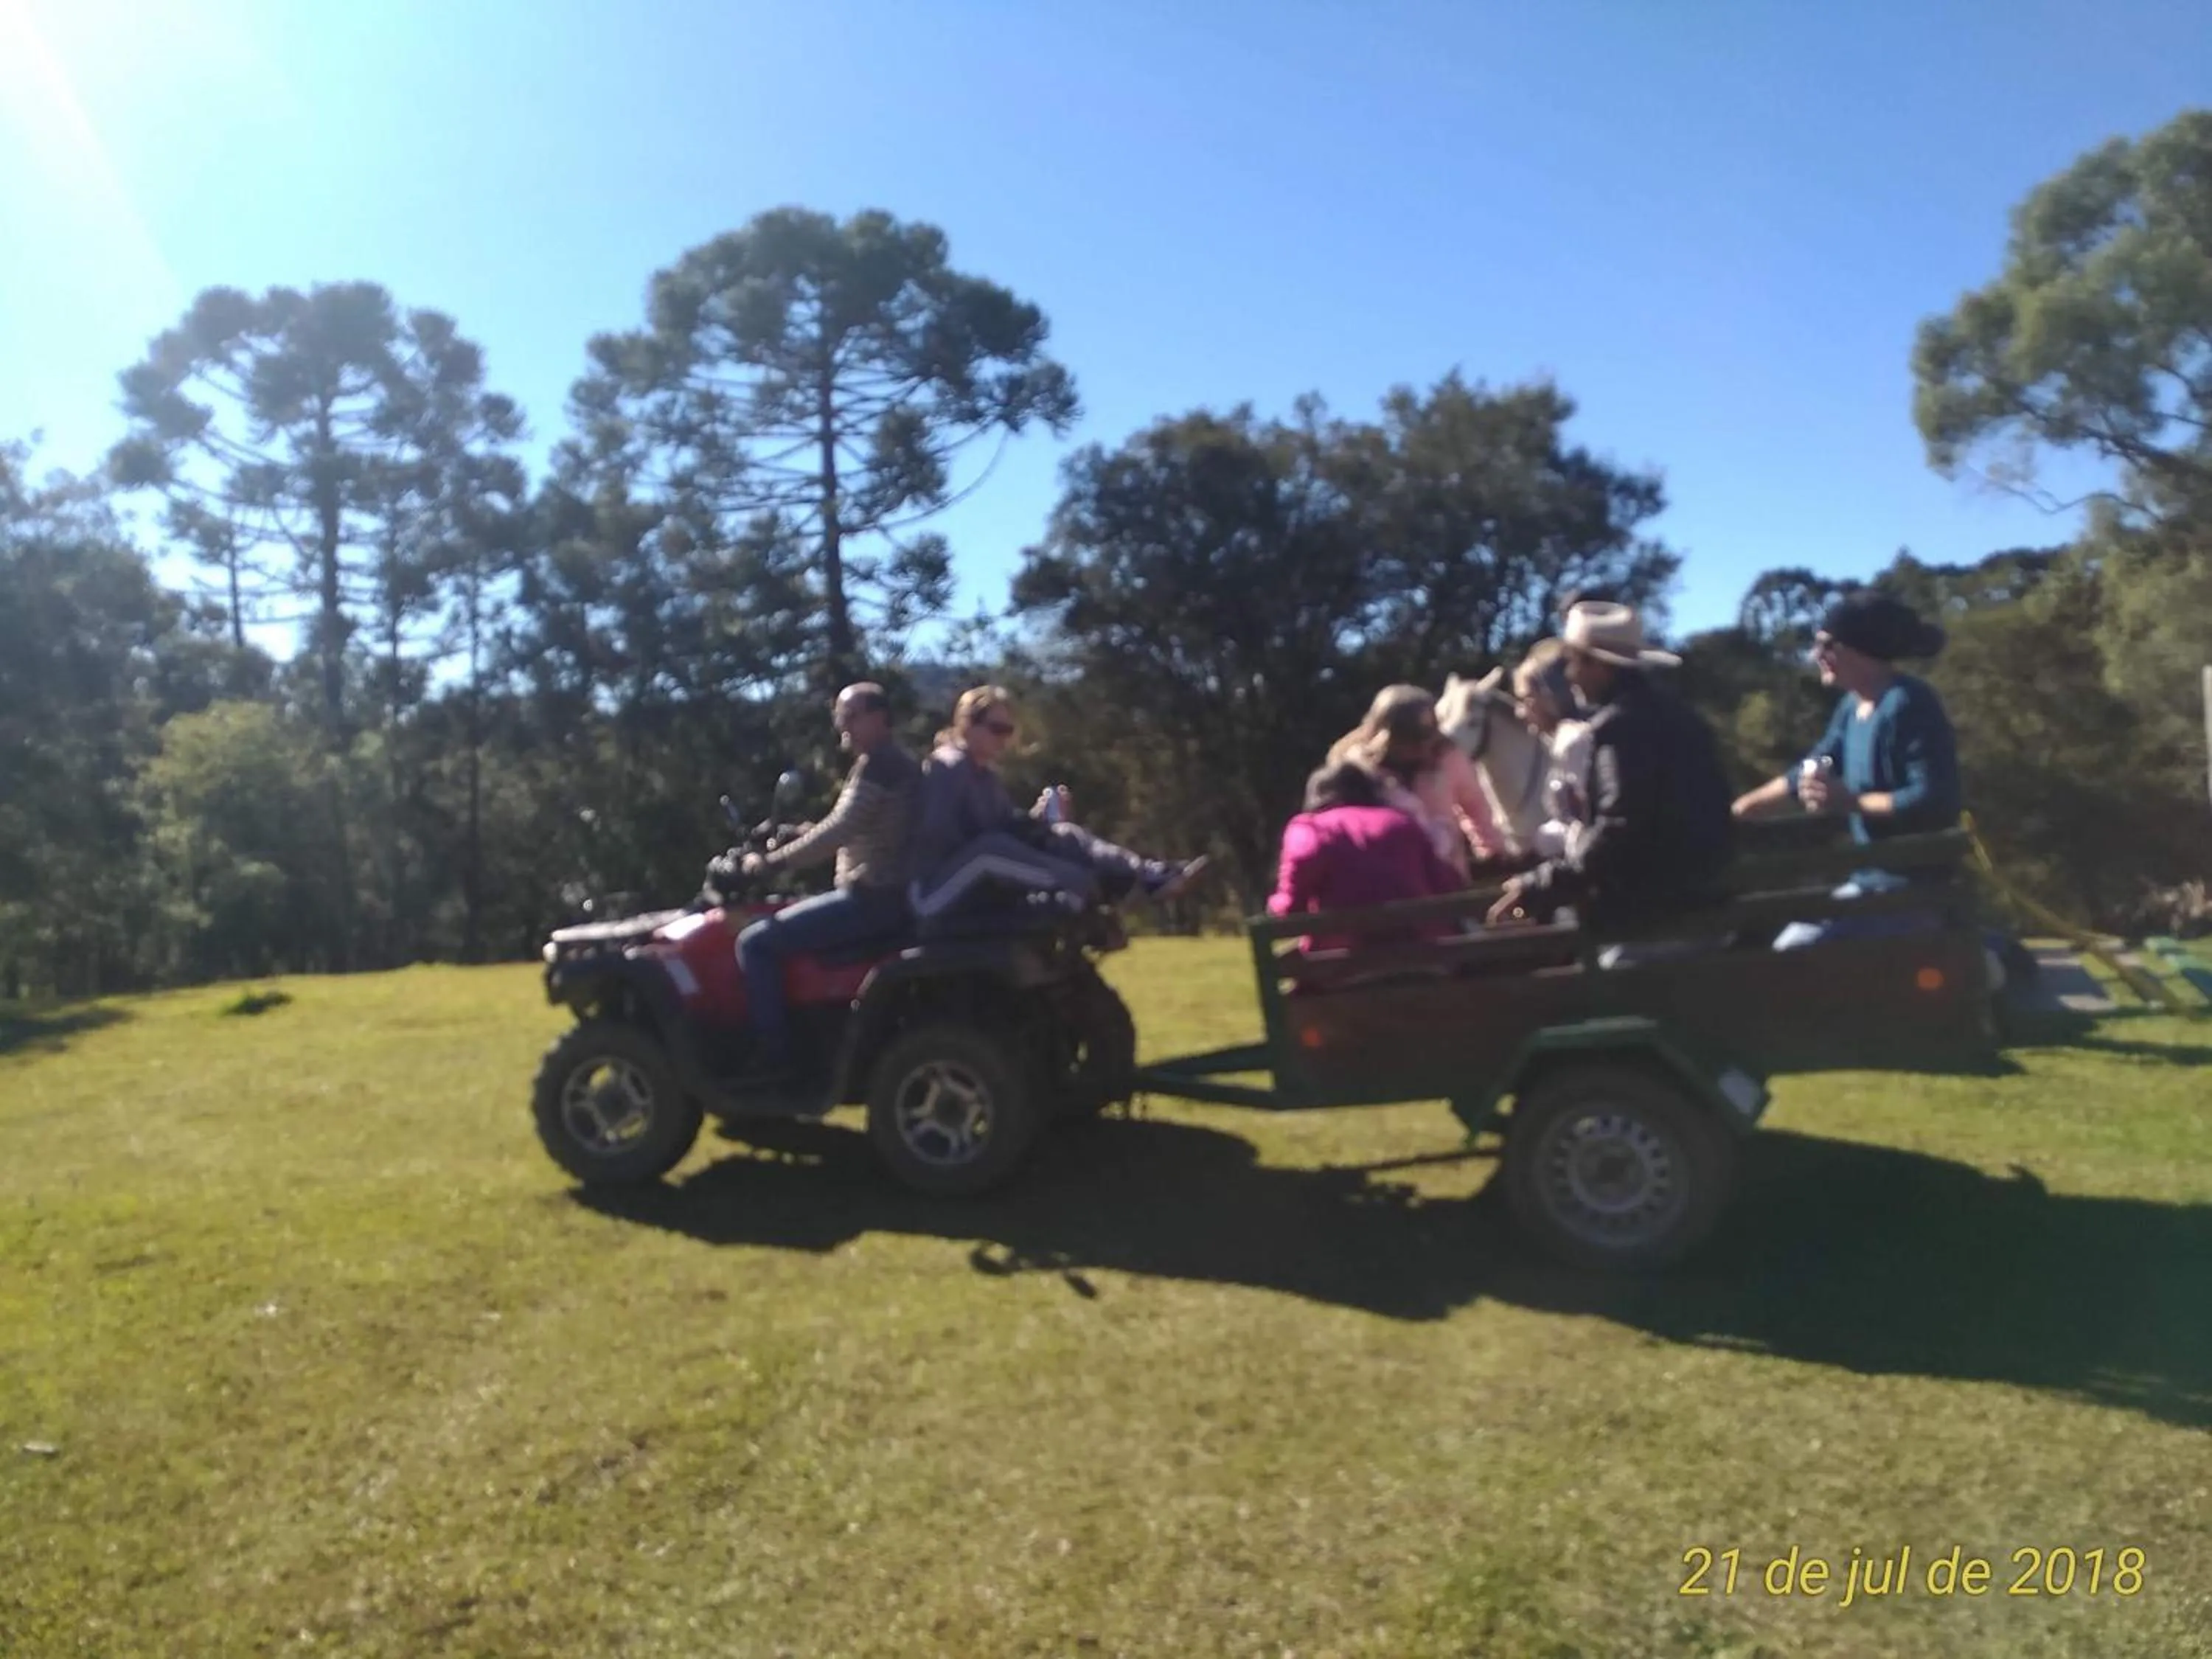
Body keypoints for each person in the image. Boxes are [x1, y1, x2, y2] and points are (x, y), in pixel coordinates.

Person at [1732, 590, 1967, 953]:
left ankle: (1983, 952)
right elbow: (1823, 757)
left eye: (1826, 645)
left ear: (1859, 648)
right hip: (1868, 886)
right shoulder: (1851, 707)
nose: (1816, 656)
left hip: (1913, 894)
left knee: (1793, 956)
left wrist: (1850, 801)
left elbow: (1932, 798)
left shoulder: (1908, 704)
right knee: (1787, 946)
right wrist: (1747, 807)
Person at [1486, 602, 1734, 940]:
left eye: (1573, 663)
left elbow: (1621, 827)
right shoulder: (1681, 716)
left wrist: (1544, 883)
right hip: (1703, 903)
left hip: (1650, 919)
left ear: (1599, 666)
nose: (1570, 676)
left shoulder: (1621, 729)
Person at [734, 682, 921, 1084]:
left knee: (754, 943)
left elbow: (838, 832)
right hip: (890, 897)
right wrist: (797, 831)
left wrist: (770, 864)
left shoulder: (880, 765)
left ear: (879, 717)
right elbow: (857, 826)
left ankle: (774, 1058)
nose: (843, 729)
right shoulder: (897, 763)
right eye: (839, 719)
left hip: (871, 899)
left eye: (850, 717)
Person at [908, 685, 1209, 921]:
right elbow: (942, 838)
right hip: (937, 888)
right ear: (968, 725)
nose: (1005, 740)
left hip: (980, 866)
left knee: (1065, 834)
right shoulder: (948, 767)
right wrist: (1015, 842)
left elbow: (1004, 826)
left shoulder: (985, 775)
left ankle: (1149, 876)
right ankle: (1082, 886)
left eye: (1009, 731)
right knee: (991, 850)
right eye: (997, 729)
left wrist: (1036, 823)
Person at [1268, 760, 1467, 953]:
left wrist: (1273, 905)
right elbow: (1447, 884)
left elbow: (1291, 909)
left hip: (1340, 970)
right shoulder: (1401, 822)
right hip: (1424, 959)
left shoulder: (1311, 829)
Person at [1326, 685, 1500, 879]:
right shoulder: (1355, 767)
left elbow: (1476, 807)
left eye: (1427, 736)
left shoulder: (1448, 756)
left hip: (1447, 878)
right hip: (1383, 884)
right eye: (1412, 739)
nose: (1423, 746)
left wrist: (1492, 853)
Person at [1512, 638, 1595, 860]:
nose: (1520, 712)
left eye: (1526, 699)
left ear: (1550, 698)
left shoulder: (1577, 743)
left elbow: (1588, 829)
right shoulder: (1565, 742)